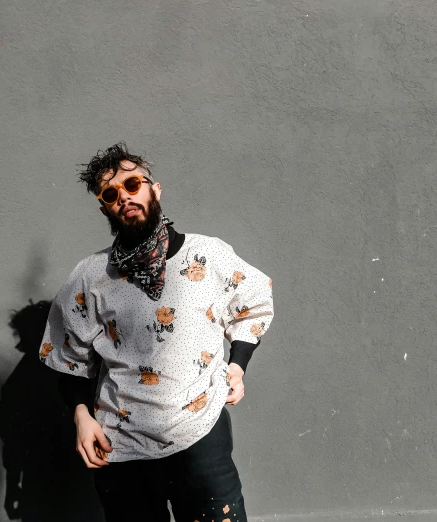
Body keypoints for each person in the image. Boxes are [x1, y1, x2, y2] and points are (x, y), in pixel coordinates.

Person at [39, 142, 274, 522]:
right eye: (111, 194)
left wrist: (238, 364)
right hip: (121, 447)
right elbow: (67, 357)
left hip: (200, 437)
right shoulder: (91, 275)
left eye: (133, 185)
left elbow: (254, 299)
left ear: (155, 189)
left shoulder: (208, 255)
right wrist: (81, 416)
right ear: (105, 208)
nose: (125, 198)